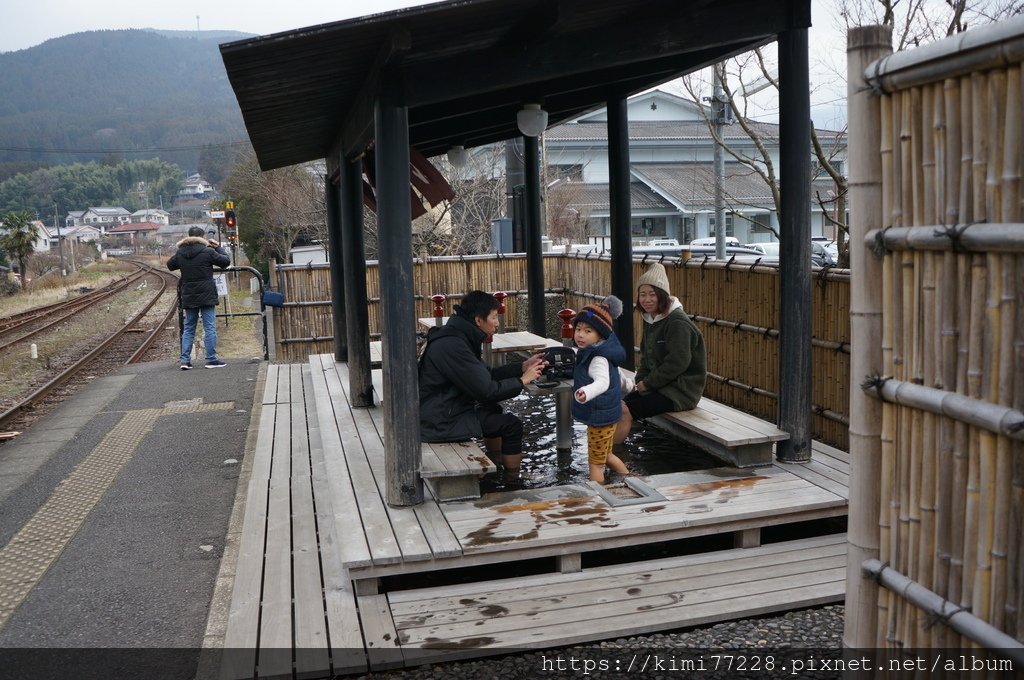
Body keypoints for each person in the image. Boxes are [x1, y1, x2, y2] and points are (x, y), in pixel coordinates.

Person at [418, 290, 546, 482]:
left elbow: (486, 376)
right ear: (479, 320)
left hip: (441, 411)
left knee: (492, 409)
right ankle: (512, 480)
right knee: (512, 425)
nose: (497, 322)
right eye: (494, 317)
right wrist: (523, 380)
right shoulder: (453, 345)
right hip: (440, 422)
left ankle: (496, 465)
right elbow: (487, 391)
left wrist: (522, 367)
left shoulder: (458, 336)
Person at [614, 262, 706, 444]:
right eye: (642, 294)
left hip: (681, 391)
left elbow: (677, 363)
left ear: (662, 295)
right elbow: (647, 359)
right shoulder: (651, 318)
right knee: (616, 403)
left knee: (623, 410)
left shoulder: (677, 322)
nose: (647, 300)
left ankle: (615, 459)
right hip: (661, 386)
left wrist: (647, 384)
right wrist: (639, 381)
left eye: (652, 294)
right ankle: (611, 451)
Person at [571, 296, 634, 484]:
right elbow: (617, 374)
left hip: (599, 416)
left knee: (596, 463)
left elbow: (602, 382)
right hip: (608, 413)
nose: (580, 335)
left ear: (601, 335)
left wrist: (586, 392)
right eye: (578, 329)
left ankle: (598, 500)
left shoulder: (597, 358)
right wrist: (628, 385)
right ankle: (629, 478)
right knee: (606, 455)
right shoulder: (605, 351)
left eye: (588, 331)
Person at [167, 226, 231, 370]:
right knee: (209, 327)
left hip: (189, 295)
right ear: (202, 237)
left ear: (188, 236)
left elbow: (170, 265)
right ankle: (211, 359)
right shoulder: (208, 251)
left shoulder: (180, 253)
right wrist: (218, 247)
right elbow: (226, 262)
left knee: (189, 328)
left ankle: (184, 360)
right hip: (206, 294)